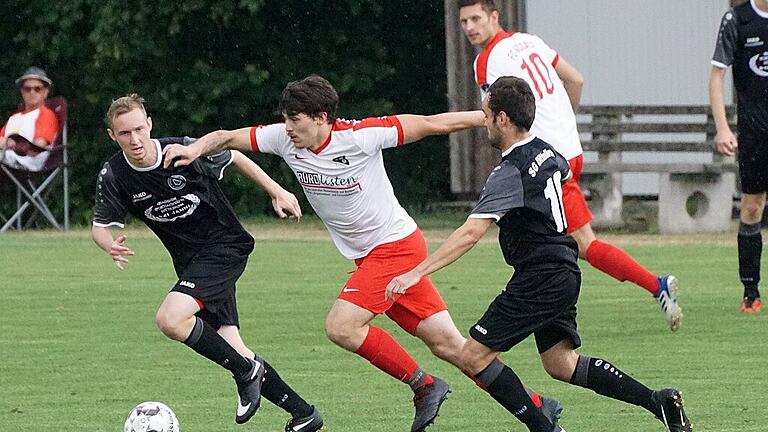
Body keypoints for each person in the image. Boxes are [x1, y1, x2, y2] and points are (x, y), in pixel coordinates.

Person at [162, 75, 562, 432]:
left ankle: (424, 386)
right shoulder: (283, 139)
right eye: (284, 119)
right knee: (453, 347)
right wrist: (195, 148)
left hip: (396, 249)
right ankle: (539, 406)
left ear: (321, 117)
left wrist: (489, 116)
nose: (287, 128)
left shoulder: (362, 136)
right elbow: (227, 136)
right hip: (371, 257)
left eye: (294, 119)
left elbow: (431, 123)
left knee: (341, 326)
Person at [386, 76, 692, 432]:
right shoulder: (549, 152)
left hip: (539, 275)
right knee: (561, 364)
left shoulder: (508, 171)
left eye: (486, 115)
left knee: (472, 356)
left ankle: (544, 427)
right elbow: (559, 178)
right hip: (564, 268)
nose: (483, 122)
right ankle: (658, 401)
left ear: (502, 119)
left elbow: (470, 233)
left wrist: (416, 272)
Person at [91, 94, 323, 432]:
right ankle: (304, 414)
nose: (135, 139)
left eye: (139, 129)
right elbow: (99, 228)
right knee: (233, 346)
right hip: (192, 265)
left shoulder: (181, 152)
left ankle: (245, 372)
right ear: (113, 135)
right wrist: (108, 245)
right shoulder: (114, 174)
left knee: (170, 319)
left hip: (225, 247)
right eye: (125, 133)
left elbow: (236, 158)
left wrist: (276, 191)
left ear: (149, 124)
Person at [457, 0, 683, 331]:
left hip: (547, 159)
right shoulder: (530, 41)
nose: (469, 27)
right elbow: (575, 79)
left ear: (494, 17)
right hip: (570, 150)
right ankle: (557, 307)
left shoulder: (487, 61)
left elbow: (493, 115)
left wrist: (441, 123)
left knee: (578, 245)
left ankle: (654, 285)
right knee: (562, 240)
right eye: (464, 21)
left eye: (476, 18)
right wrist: (563, 122)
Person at [709, 0, 768, 314]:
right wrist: (723, 128)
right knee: (752, 206)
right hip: (756, 132)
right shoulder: (737, 20)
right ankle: (751, 292)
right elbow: (717, 76)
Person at [0, 67, 60, 172]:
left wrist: (14, 144)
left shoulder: (46, 115)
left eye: (37, 89)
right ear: (22, 92)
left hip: (27, 162)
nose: (32, 92)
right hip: (6, 159)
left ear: (45, 92)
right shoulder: (14, 118)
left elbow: (37, 148)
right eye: (27, 89)